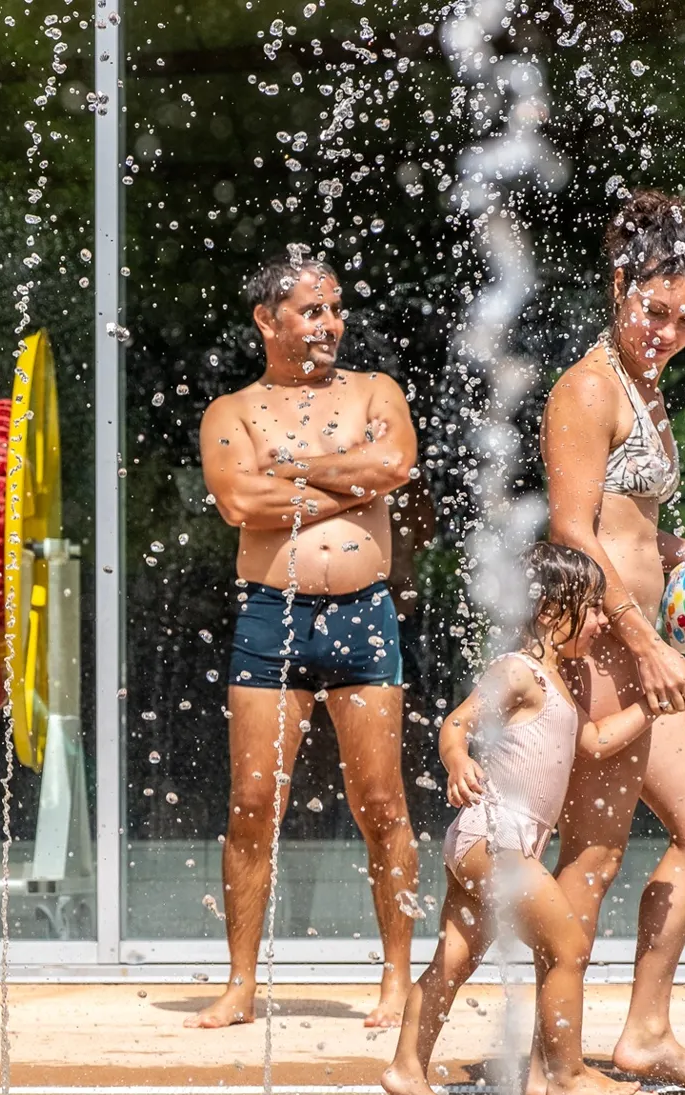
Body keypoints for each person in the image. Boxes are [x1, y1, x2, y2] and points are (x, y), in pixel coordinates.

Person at [187, 250, 420, 1029]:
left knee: (381, 802)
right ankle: (240, 983)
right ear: (267, 319)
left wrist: (296, 468)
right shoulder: (232, 411)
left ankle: (397, 977)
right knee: (253, 802)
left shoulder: (376, 391)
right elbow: (240, 503)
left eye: (335, 308)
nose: (330, 323)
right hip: (271, 615)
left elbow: (396, 463)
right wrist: (349, 483)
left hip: (364, 613)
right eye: (312, 310)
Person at [541, 190, 685, 1088]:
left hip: (640, 644)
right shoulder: (588, 388)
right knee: (593, 854)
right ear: (620, 284)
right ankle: (553, 1062)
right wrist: (644, 640)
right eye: (655, 312)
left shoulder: (644, 388)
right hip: (601, 645)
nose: (668, 333)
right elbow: (572, 531)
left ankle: (646, 1031)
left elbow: (629, 530)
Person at [382, 544, 669, 1095]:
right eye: (591, 609)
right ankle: (566, 1075)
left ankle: (406, 1068)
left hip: (496, 843)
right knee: (568, 946)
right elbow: (456, 723)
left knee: (453, 962)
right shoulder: (518, 671)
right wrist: (458, 762)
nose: (600, 622)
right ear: (549, 610)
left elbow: (594, 742)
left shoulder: (556, 683)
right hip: (494, 836)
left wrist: (654, 706)